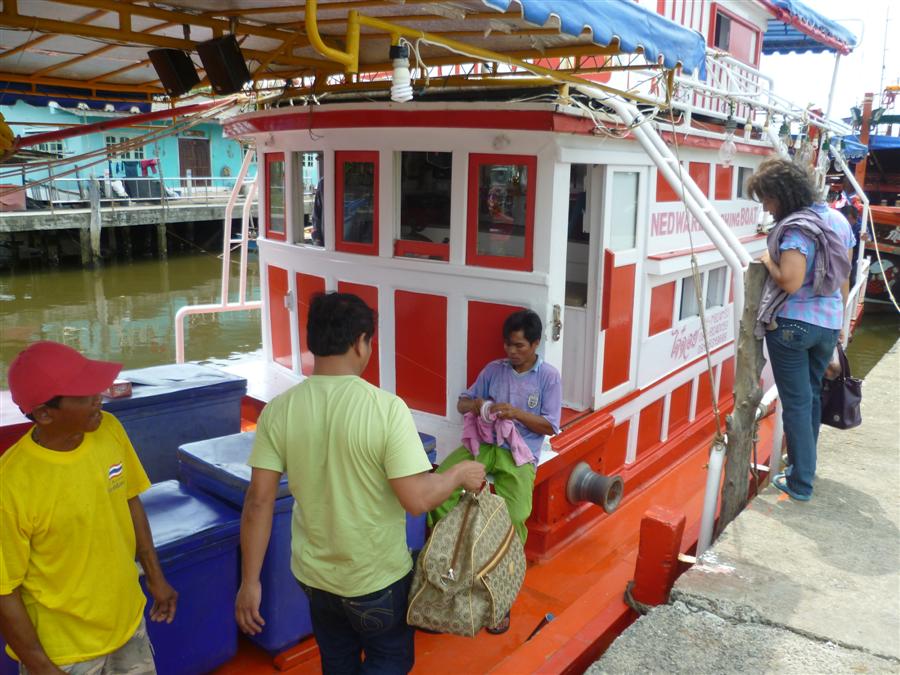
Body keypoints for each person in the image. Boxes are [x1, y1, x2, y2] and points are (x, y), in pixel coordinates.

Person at [235, 292, 485, 674]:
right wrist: (459, 474)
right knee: (390, 658)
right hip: (376, 580)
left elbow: (258, 501)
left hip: (314, 579)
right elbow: (417, 500)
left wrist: (250, 582)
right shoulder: (386, 408)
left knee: (337, 661)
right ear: (360, 342)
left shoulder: (278, 411)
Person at [0, 341, 177, 675]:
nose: (100, 396)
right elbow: (3, 589)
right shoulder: (10, 485)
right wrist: (40, 666)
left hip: (127, 624)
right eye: (84, 393)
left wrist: (155, 576)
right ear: (44, 413)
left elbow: (130, 501)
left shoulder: (109, 428)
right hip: (64, 654)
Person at [429, 309, 561, 633]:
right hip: (485, 445)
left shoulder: (548, 377)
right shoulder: (493, 370)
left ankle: (502, 595)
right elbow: (462, 403)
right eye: (508, 345)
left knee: (515, 515)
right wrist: (476, 406)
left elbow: (551, 426)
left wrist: (515, 414)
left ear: (535, 344)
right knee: (438, 488)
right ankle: (446, 573)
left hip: (519, 452)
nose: (512, 352)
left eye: (519, 346)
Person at [750, 159, 854, 502]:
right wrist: (839, 325)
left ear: (782, 194)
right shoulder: (837, 220)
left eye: (766, 198)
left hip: (793, 326)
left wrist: (767, 260)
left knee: (795, 404)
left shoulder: (797, 228)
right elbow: (844, 276)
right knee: (808, 397)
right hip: (827, 323)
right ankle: (802, 469)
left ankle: (800, 483)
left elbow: (790, 281)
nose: (765, 206)